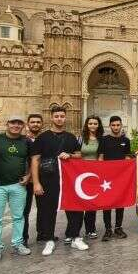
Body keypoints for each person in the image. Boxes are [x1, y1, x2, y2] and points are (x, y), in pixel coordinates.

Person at [30, 106, 87, 255]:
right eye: (56, 116)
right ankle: (49, 239)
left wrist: (70, 155)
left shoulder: (70, 137)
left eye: (62, 116)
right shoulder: (42, 138)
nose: (59, 119)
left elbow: (79, 154)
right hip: (48, 179)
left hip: (68, 180)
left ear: (65, 117)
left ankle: (75, 236)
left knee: (75, 208)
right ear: (51, 118)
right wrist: (36, 182)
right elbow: (35, 160)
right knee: (48, 210)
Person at [0, 115, 32, 262]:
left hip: (18, 185)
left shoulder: (26, 141)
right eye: (13, 122)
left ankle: (18, 243)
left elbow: (33, 160)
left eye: (19, 123)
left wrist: (29, 176)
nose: (16, 126)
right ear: (7, 124)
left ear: (23, 126)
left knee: (19, 217)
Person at [97, 116, 134, 241]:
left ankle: (118, 227)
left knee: (120, 202)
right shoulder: (104, 140)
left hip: (120, 177)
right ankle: (108, 229)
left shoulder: (126, 140)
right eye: (113, 125)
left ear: (121, 125)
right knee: (107, 203)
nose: (116, 127)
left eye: (118, 125)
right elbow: (101, 157)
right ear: (110, 126)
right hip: (106, 177)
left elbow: (127, 157)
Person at [78, 115, 104, 239]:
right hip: (80, 173)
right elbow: (77, 154)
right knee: (78, 202)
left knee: (91, 203)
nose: (93, 126)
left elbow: (101, 156)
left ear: (98, 125)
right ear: (86, 125)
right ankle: (75, 230)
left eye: (95, 123)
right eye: (90, 123)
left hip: (94, 175)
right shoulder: (80, 139)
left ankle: (90, 229)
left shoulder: (101, 140)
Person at [21, 113, 43, 246]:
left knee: (43, 209)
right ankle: (23, 237)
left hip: (43, 180)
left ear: (42, 124)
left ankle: (43, 234)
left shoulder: (45, 139)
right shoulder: (22, 140)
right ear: (28, 124)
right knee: (25, 210)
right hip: (27, 181)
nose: (35, 124)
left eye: (38, 122)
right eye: (33, 122)